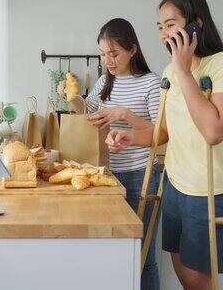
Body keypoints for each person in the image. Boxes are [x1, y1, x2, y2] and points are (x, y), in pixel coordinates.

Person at [106, 0, 223, 290]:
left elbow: (214, 131)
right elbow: (163, 131)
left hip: (211, 190)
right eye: (159, 27)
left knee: (199, 280)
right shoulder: (170, 71)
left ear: (196, 24)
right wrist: (129, 137)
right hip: (175, 184)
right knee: (182, 272)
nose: (163, 34)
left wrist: (185, 73)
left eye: (170, 24)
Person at [59, 18, 161, 290]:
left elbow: (160, 133)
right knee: (115, 251)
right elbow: (88, 114)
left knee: (143, 253)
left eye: (114, 54)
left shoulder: (152, 83)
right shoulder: (106, 80)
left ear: (133, 50)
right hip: (107, 175)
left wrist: (123, 114)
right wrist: (71, 98)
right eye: (104, 54)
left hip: (142, 174)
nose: (108, 60)